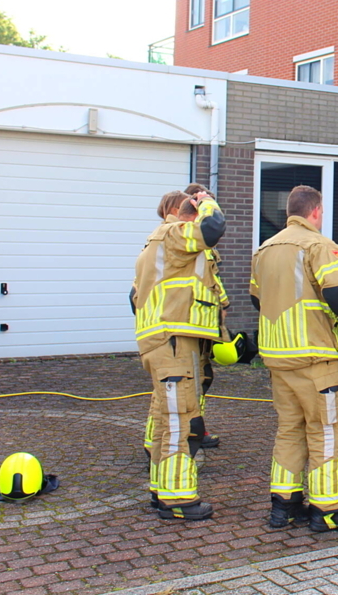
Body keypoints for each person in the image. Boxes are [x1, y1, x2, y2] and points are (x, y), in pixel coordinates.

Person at [250, 185, 338, 532]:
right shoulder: (319, 245)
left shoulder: (264, 249)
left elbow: (258, 300)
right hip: (314, 359)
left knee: (289, 430)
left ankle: (284, 505)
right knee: (327, 431)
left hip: (277, 357)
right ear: (315, 212)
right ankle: (329, 509)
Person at [131, 190, 226, 520]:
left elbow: (134, 296)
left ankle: (161, 490)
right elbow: (213, 228)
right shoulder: (173, 234)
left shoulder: (153, 245)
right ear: (187, 217)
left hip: (160, 341)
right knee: (179, 421)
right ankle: (178, 501)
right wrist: (207, 203)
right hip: (172, 343)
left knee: (163, 420)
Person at [184, 183, 229, 449]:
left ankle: (197, 429)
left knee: (202, 379)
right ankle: (173, 441)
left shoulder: (199, 245)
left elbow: (210, 278)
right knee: (184, 386)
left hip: (203, 324)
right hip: (190, 325)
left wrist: (223, 302)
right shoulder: (187, 238)